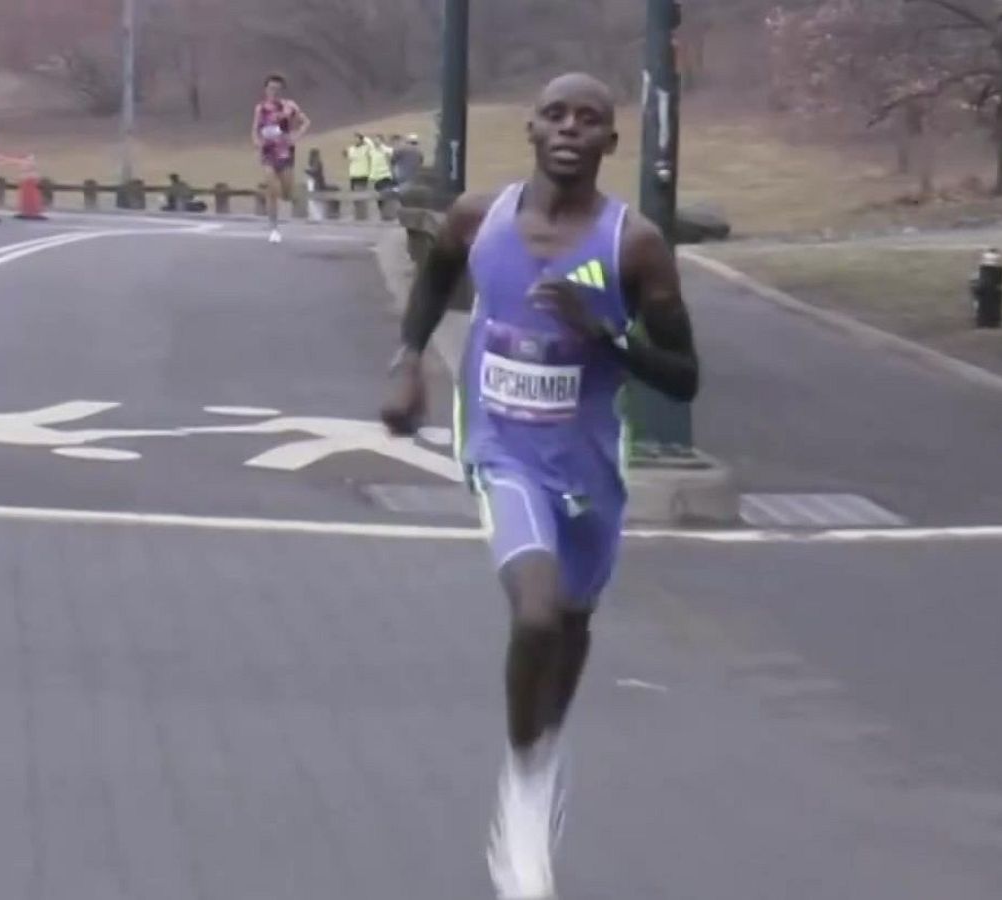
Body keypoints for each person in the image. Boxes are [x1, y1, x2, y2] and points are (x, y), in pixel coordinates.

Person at [379, 72, 700, 898]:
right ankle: (524, 797)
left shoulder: (635, 247)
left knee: (573, 619)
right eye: (555, 115)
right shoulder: (476, 218)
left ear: (609, 143)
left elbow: (685, 376)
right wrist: (408, 359)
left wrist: (607, 335)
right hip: (501, 444)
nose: (569, 130)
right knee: (534, 612)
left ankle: (543, 747)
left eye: (588, 120)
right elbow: (435, 279)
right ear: (530, 128)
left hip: (588, 457)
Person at [251, 72, 310, 243]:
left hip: (285, 151)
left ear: (282, 90)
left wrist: (296, 136)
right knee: (271, 189)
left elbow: (306, 122)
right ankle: (274, 227)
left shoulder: (289, 106)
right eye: (271, 88)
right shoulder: (260, 108)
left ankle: (289, 194)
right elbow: (255, 129)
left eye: (277, 89)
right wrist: (257, 142)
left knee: (287, 192)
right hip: (268, 151)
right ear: (265, 89)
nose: (274, 92)